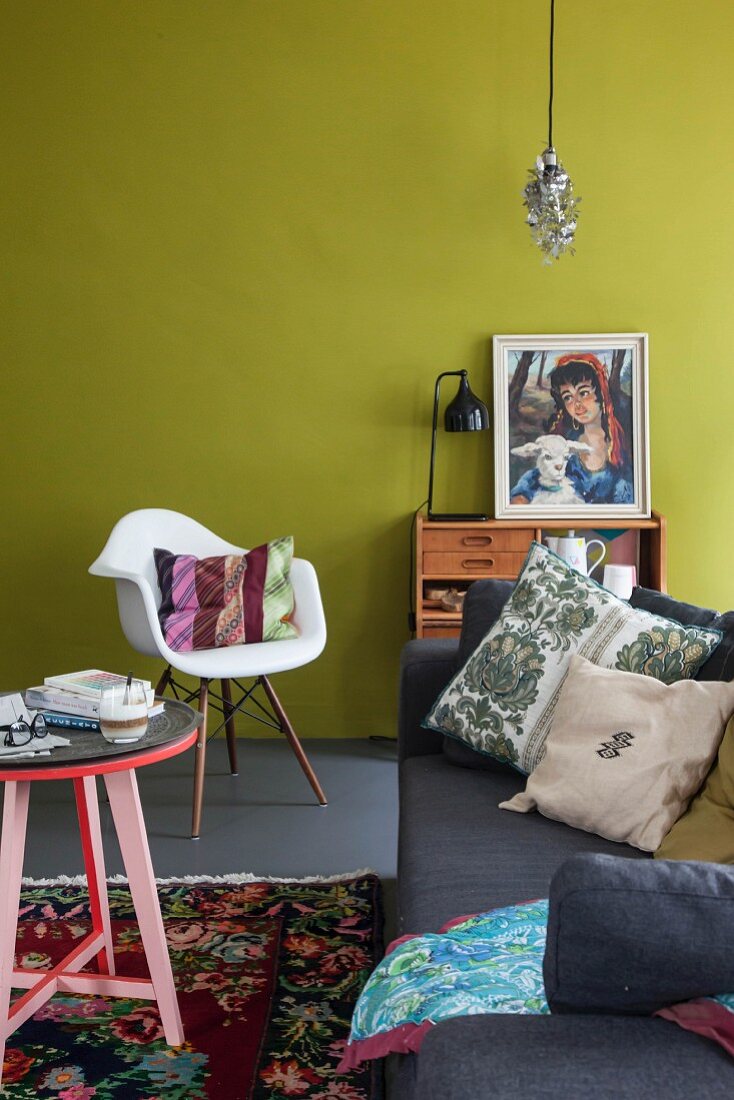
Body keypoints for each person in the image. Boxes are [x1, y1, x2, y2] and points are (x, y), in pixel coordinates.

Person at [510, 353, 633, 505]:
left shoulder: (622, 444)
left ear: (601, 393)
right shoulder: (564, 441)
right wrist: (520, 500)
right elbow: (532, 481)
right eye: (568, 397)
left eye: (583, 393)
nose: (576, 403)